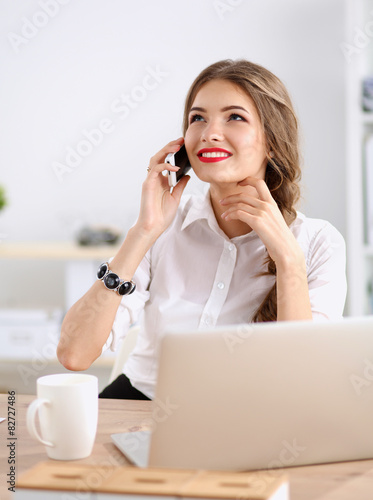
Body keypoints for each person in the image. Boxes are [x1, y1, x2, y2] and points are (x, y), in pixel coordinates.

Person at [57, 59, 347, 400]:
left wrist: (288, 261)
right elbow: (74, 355)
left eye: (234, 117)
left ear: (272, 141)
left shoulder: (317, 243)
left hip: (245, 419)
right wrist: (143, 231)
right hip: (140, 404)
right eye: (198, 118)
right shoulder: (164, 226)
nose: (209, 132)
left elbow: (300, 384)